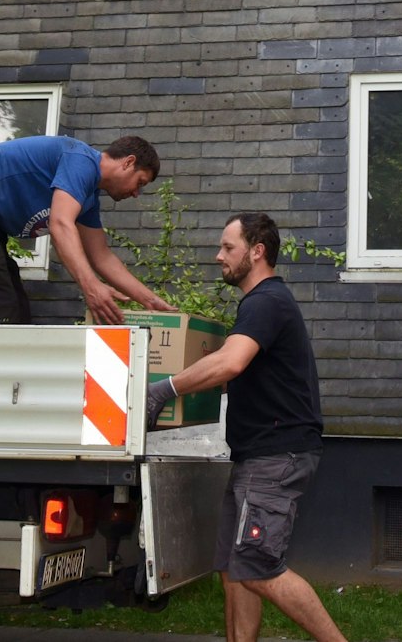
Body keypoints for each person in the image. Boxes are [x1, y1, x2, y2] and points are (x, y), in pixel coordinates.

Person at [143, 214, 346, 642]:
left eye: (227, 247)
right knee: (236, 570)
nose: (219, 256)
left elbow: (230, 362)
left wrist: (163, 390)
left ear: (257, 252)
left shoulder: (266, 301)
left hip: (276, 456)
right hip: (258, 454)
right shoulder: (261, 303)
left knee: (256, 566)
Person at [0, 134, 175, 324]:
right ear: (128, 162)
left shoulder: (87, 198)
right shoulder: (81, 160)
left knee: (17, 312)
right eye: (139, 182)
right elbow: (61, 223)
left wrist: (149, 300)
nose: (136, 194)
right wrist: (91, 287)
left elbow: (101, 256)